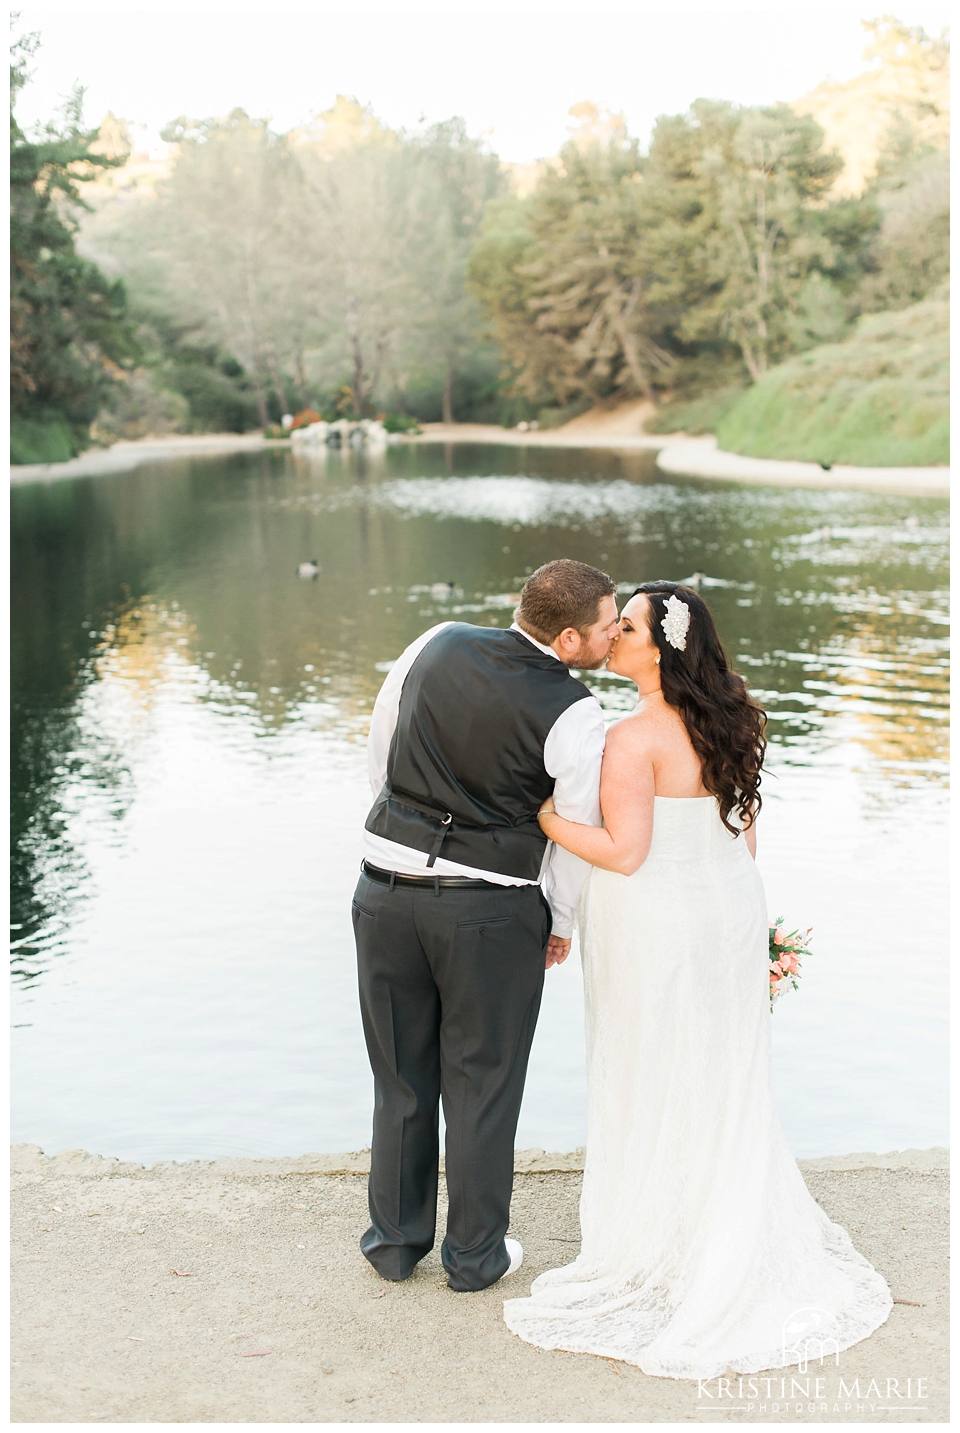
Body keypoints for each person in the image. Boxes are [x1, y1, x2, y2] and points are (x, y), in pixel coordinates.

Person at [503, 581, 892, 1378]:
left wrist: (543, 817)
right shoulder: (736, 721)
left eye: (629, 627)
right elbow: (743, 846)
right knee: (721, 1077)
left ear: (660, 648)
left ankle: (663, 1242)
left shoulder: (632, 736)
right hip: (728, 917)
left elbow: (623, 851)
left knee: (651, 1074)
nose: (613, 636)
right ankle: (714, 1226)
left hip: (656, 929)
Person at [353, 559, 620, 1292]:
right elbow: (575, 826)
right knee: (482, 1082)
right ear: (568, 638)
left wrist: (399, 835)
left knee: (401, 1078)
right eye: (605, 626)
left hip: (383, 888)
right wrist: (559, 918)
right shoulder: (575, 710)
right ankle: (473, 1258)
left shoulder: (434, 641)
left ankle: (396, 1244)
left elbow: (381, 749)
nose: (613, 635)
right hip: (488, 909)